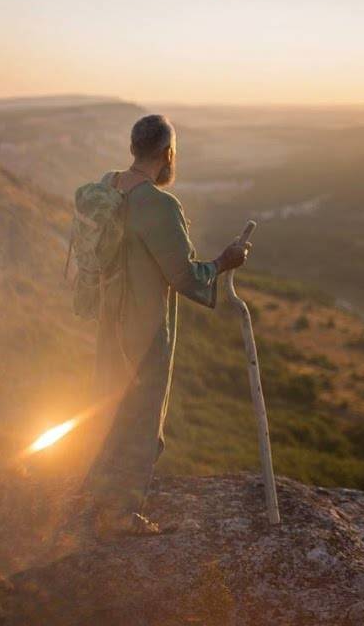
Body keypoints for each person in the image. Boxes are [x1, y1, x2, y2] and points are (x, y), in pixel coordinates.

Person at [80, 114, 251, 537]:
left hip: (108, 319)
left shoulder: (107, 186)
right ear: (168, 154)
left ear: (133, 146)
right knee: (141, 416)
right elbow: (184, 277)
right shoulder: (159, 205)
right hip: (142, 326)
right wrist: (224, 262)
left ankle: (97, 495)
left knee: (110, 405)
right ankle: (119, 513)